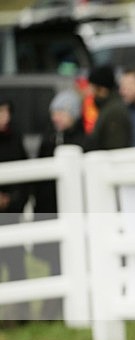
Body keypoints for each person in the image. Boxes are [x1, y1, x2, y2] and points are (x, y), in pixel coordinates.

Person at [34, 90, 86, 319]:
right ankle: (52, 310)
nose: (57, 117)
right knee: (53, 263)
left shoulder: (84, 141)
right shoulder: (47, 140)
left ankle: (64, 309)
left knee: (72, 261)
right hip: (49, 210)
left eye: (62, 112)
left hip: (74, 212)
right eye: (55, 112)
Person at [0, 98, 31, 323]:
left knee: (16, 264)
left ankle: (23, 315)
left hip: (11, 213)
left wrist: (12, 200)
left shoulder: (15, 137)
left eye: (6, 112)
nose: (4, 117)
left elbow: (25, 173)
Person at [84, 65, 132, 151]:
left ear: (102, 89)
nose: (89, 91)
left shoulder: (114, 111)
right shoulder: (106, 106)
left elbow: (115, 147)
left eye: (92, 87)